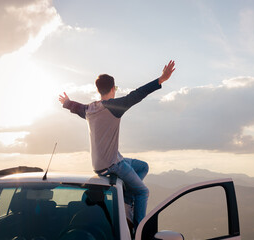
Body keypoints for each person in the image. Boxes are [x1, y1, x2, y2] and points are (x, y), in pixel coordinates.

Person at [59, 60, 175, 229]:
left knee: (142, 166)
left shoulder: (90, 109)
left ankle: (126, 200)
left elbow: (77, 108)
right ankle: (137, 230)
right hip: (113, 165)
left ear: (98, 90)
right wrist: (161, 79)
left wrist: (67, 102)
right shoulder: (114, 106)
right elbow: (137, 94)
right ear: (113, 89)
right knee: (143, 192)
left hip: (99, 165)